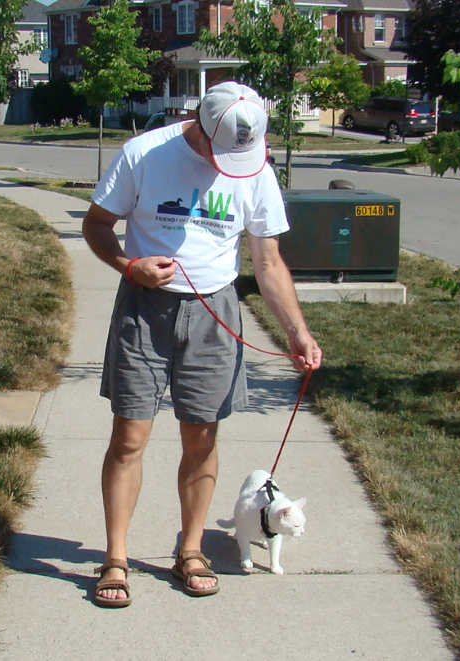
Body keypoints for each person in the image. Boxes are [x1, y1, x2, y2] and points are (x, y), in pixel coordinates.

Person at [81, 81, 322, 604]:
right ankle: (115, 559)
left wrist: (297, 332)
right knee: (129, 438)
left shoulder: (255, 168)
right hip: (146, 309)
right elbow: (97, 224)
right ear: (198, 122)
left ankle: (190, 552)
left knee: (203, 440)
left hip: (216, 315)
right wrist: (129, 265)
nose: (230, 162)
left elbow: (267, 261)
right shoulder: (144, 153)